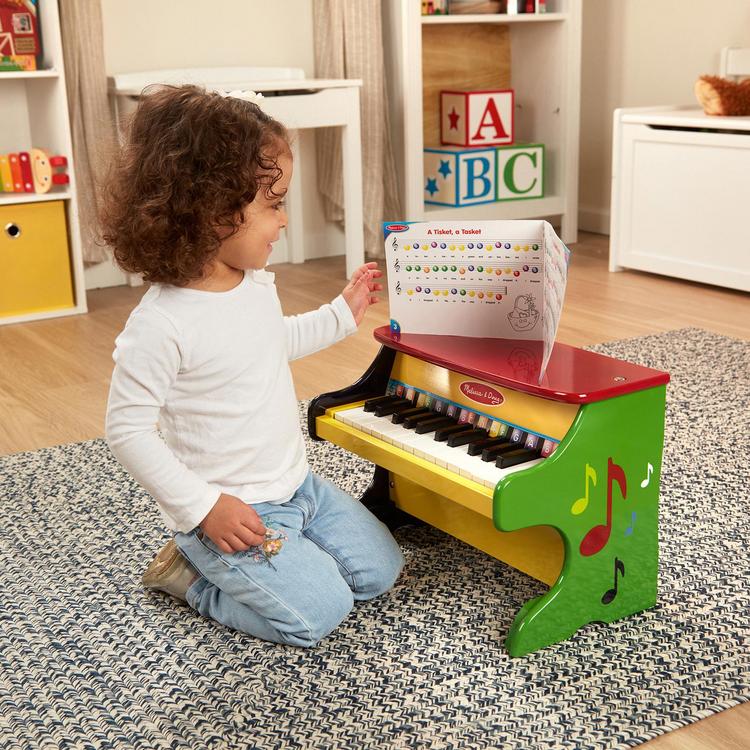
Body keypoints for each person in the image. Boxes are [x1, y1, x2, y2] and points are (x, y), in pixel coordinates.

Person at [101, 84, 404, 648]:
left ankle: (287, 556)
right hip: (232, 512)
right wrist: (204, 507)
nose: (284, 220)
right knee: (318, 612)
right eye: (275, 203)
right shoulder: (161, 324)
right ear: (214, 212)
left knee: (379, 571)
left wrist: (340, 314)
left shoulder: (254, 285)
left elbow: (268, 343)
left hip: (298, 488)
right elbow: (127, 430)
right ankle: (192, 576)